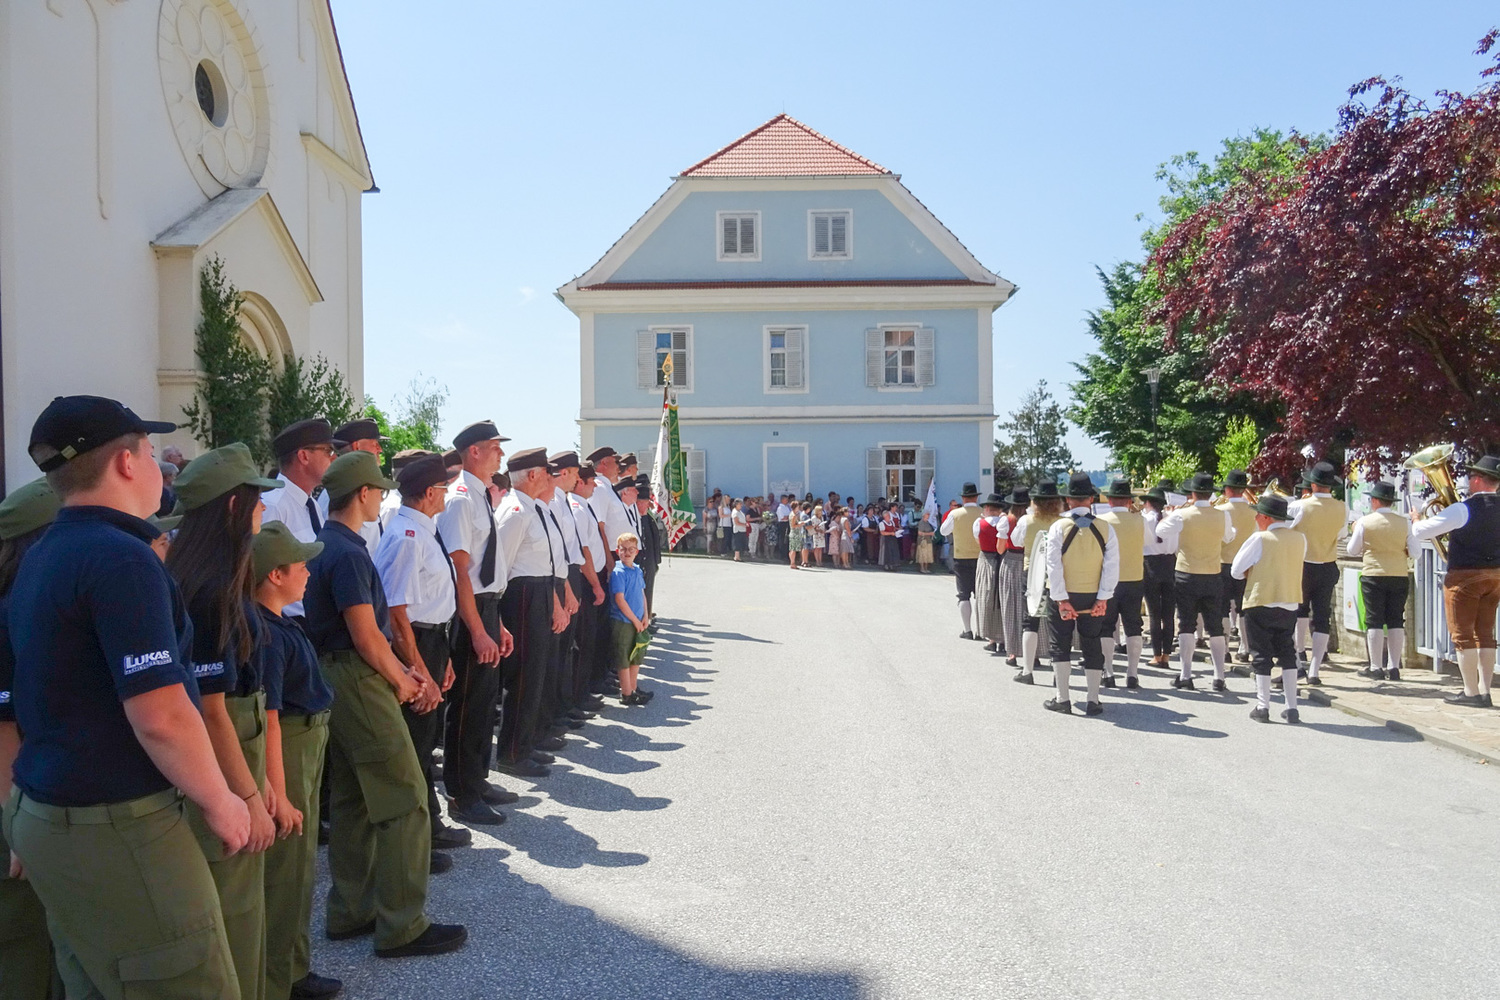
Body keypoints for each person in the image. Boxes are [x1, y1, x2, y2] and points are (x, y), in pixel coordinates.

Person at [6, 395, 248, 998]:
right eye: (150, 450)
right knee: (187, 981)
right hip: (117, 822)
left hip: (51, 811)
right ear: (125, 462)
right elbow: (160, 714)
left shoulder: (43, 555)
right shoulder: (122, 559)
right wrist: (220, 799)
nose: (160, 469)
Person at [305, 452, 465, 958]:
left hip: (336, 674)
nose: (381, 497)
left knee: (353, 798)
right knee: (406, 797)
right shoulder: (349, 552)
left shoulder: (326, 544)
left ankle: (352, 911)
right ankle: (402, 925)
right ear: (362, 495)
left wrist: (403, 669)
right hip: (356, 675)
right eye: (376, 489)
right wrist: (406, 680)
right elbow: (366, 635)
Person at [168, 444, 286, 1000]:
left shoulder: (201, 575)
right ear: (234, 507)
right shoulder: (212, 589)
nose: (264, 509)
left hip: (234, 747)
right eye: (257, 500)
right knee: (236, 908)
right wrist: (250, 798)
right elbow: (213, 711)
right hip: (224, 753)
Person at [253, 523, 342, 1000]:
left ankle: (293, 966)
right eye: (300, 565)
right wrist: (279, 793)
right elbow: (267, 716)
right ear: (275, 574)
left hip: (304, 739)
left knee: (300, 867)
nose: (308, 572)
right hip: (288, 745)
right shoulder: (266, 633)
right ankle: (280, 979)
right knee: (286, 872)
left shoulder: (280, 622)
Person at [373, 455, 472, 856]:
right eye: (443, 488)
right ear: (430, 493)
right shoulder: (407, 537)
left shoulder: (421, 529)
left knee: (424, 742)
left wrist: (440, 661)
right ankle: (415, 841)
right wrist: (421, 671)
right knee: (413, 746)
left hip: (431, 641)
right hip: (414, 644)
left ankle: (427, 827)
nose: (447, 494)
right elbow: (397, 615)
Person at [0, 479, 64, 1000]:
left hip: (29, 797)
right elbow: (4, 732)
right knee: (25, 945)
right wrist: (15, 827)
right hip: (12, 801)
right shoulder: (9, 616)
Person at [435, 421, 516, 826]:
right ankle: (462, 794)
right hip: (469, 611)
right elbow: (460, 571)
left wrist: (496, 623)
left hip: (486, 607)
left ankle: (477, 779)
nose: (501, 454)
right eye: (495, 447)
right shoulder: (460, 498)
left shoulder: (481, 494)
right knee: (467, 705)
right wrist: (478, 629)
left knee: (484, 704)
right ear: (474, 452)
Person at [494, 449, 571, 777]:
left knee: (536, 673)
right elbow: (500, 567)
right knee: (523, 676)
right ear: (532, 475)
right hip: (521, 596)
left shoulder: (533, 508)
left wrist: (553, 601)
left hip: (539, 591)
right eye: (546, 471)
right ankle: (512, 753)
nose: (552, 477)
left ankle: (527, 742)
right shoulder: (515, 511)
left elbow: (546, 563)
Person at [1412, 454, 1500, 707]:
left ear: (1478, 480)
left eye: (1471, 476)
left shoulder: (1462, 508)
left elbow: (1421, 532)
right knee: (1486, 634)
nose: (1468, 480)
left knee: (1463, 636)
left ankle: (1470, 692)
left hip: (1464, 577)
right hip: (1495, 576)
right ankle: (1485, 691)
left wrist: (1417, 519)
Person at [1042, 473, 1120, 716]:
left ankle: (1062, 698)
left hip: (1064, 594)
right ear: (1091, 499)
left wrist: (1061, 598)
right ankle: (1093, 700)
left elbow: (1053, 566)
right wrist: (1103, 598)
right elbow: (1111, 566)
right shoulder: (1106, 528)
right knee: (1092, 643)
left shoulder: (1058, 527)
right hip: (1093, 594)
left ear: (1068, 499)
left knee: (1060, 644)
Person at [1155, 472, 1235, 691]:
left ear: (1192, 493)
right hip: (1213, 573)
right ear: (1210, 494)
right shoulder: (1222, 515)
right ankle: (1219, 677)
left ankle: (1186, 675)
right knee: (1215, 626)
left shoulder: (1183, 514)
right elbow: (1229, 537)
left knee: (1186, 624)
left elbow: (1160, 530)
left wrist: (1171, 513)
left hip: (1187, 573)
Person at [1230, 493, 1307, 723]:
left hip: (1260, 600)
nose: (1255, 518)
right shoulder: (1300, 538)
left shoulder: (1259, 539)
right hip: (1289, 601)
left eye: (1258, 515)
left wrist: (1252, 571)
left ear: (1266, 517)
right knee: (1287, 652)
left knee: (1261, 655)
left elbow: (1235, 571)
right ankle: (1292, 707)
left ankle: (1263, 707)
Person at [261, 418, 340, 618]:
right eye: (328, 451)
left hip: (315, 619)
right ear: (304, 456)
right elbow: (261, 576)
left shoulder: (311, 503)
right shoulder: (273, 505)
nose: (333, 458)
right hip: (289, 621)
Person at [1346, 481, 1419, 681]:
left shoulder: (1364, 522)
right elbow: (1416, 552)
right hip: (1398, 574)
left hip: (1373, 575)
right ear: (1391, 502)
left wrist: (1357, 531)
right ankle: (1394, 667)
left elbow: (1352, 550)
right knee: (1396, 619)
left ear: (1376, 501)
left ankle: (1376, 666)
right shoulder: (1404, 522)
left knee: (1374, 620)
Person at [1289, 461, 1348, 684]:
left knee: (1298, 611)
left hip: (1302, 564)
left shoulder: (1299, 506)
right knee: (1322, 616)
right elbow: (1341, 535)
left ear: (1313, 485)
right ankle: (1314, 670)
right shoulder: (1342, 507)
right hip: (1328, 564)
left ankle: (1296, 661)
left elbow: (1284, 529)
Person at [1010, 480, 1064, 683]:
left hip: (1032, 571)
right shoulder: (1063, 521)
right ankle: (1058, 673)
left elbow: (1016, 541)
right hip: (1058, 572)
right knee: (1058, 623)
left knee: (1030, 621)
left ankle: (1027, 671)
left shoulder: (1027, 520)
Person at [1098, 478, 1146, 688]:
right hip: (1134, 578)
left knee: (1106, 626)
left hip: (1108, 579)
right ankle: (1132, 674)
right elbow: (1150, 542)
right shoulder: (1140, 520)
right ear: (1129, 501)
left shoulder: (1101, 520)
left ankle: (1108, 672)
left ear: (1110, 501)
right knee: (1134, 626)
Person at [1216, 470, 1258, 665]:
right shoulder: (1254, 511)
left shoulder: (1220, 510)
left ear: (1227, 489)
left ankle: (1225, 649)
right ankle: (1245, 648)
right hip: (1247, 565)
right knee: (1244, 608)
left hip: (1223, 562)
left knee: (1223, 608)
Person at [333, 418, 392, 553]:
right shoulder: (339, 491)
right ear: (357, 446)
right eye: (374, 443)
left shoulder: (357, 486)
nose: (380, 449)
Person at [609, 532, 652, 704]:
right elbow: (620, 599)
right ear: (617, 551)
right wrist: (634, 620)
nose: (627, 553)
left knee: (636, 655)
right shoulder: (618, 572)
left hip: (638, 621)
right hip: (624, 621)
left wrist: (645, 615)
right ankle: (626, 694)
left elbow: (642, 593)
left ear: (636, 551)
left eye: (631, 549)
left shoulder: (637, 570)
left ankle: (633, 688)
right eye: (623, 549)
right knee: (624, 657)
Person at [1140, 480, 1178, 667]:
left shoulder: (1145, 519)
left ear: (1148, 503)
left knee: (1154, 613)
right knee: (1168, 614)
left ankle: (1156, 655)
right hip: (1170, 563)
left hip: (1151, 564)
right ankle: (1166, 654)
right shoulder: (1172, 518)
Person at [940, 484, 983, 638]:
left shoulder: (955, 514)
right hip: (980, 557)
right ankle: (981, 630)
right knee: (980, 595)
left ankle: (967, 630)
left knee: (963, 595)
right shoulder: (982, 513)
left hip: (961, 556)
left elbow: (943, 531)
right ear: (976, 497)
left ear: (963, 498)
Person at [995, 487, 1030, 666]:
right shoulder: (1032, 520)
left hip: (1011, 562)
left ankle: (1012, 653)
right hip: (1030, 561)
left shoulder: (1007, 521)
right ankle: (1033, 653)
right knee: (1030, 607)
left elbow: (1000, 548)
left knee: (1010, 607)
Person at [972, 493, 1007, 651]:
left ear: (987, 508)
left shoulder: (979, 523)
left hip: (986, 560)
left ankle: (991, 639)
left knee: (986, 598)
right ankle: (1004, 639)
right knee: (1002, 600)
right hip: (1004, 560)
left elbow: (978, 541)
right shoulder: (1005, 523)